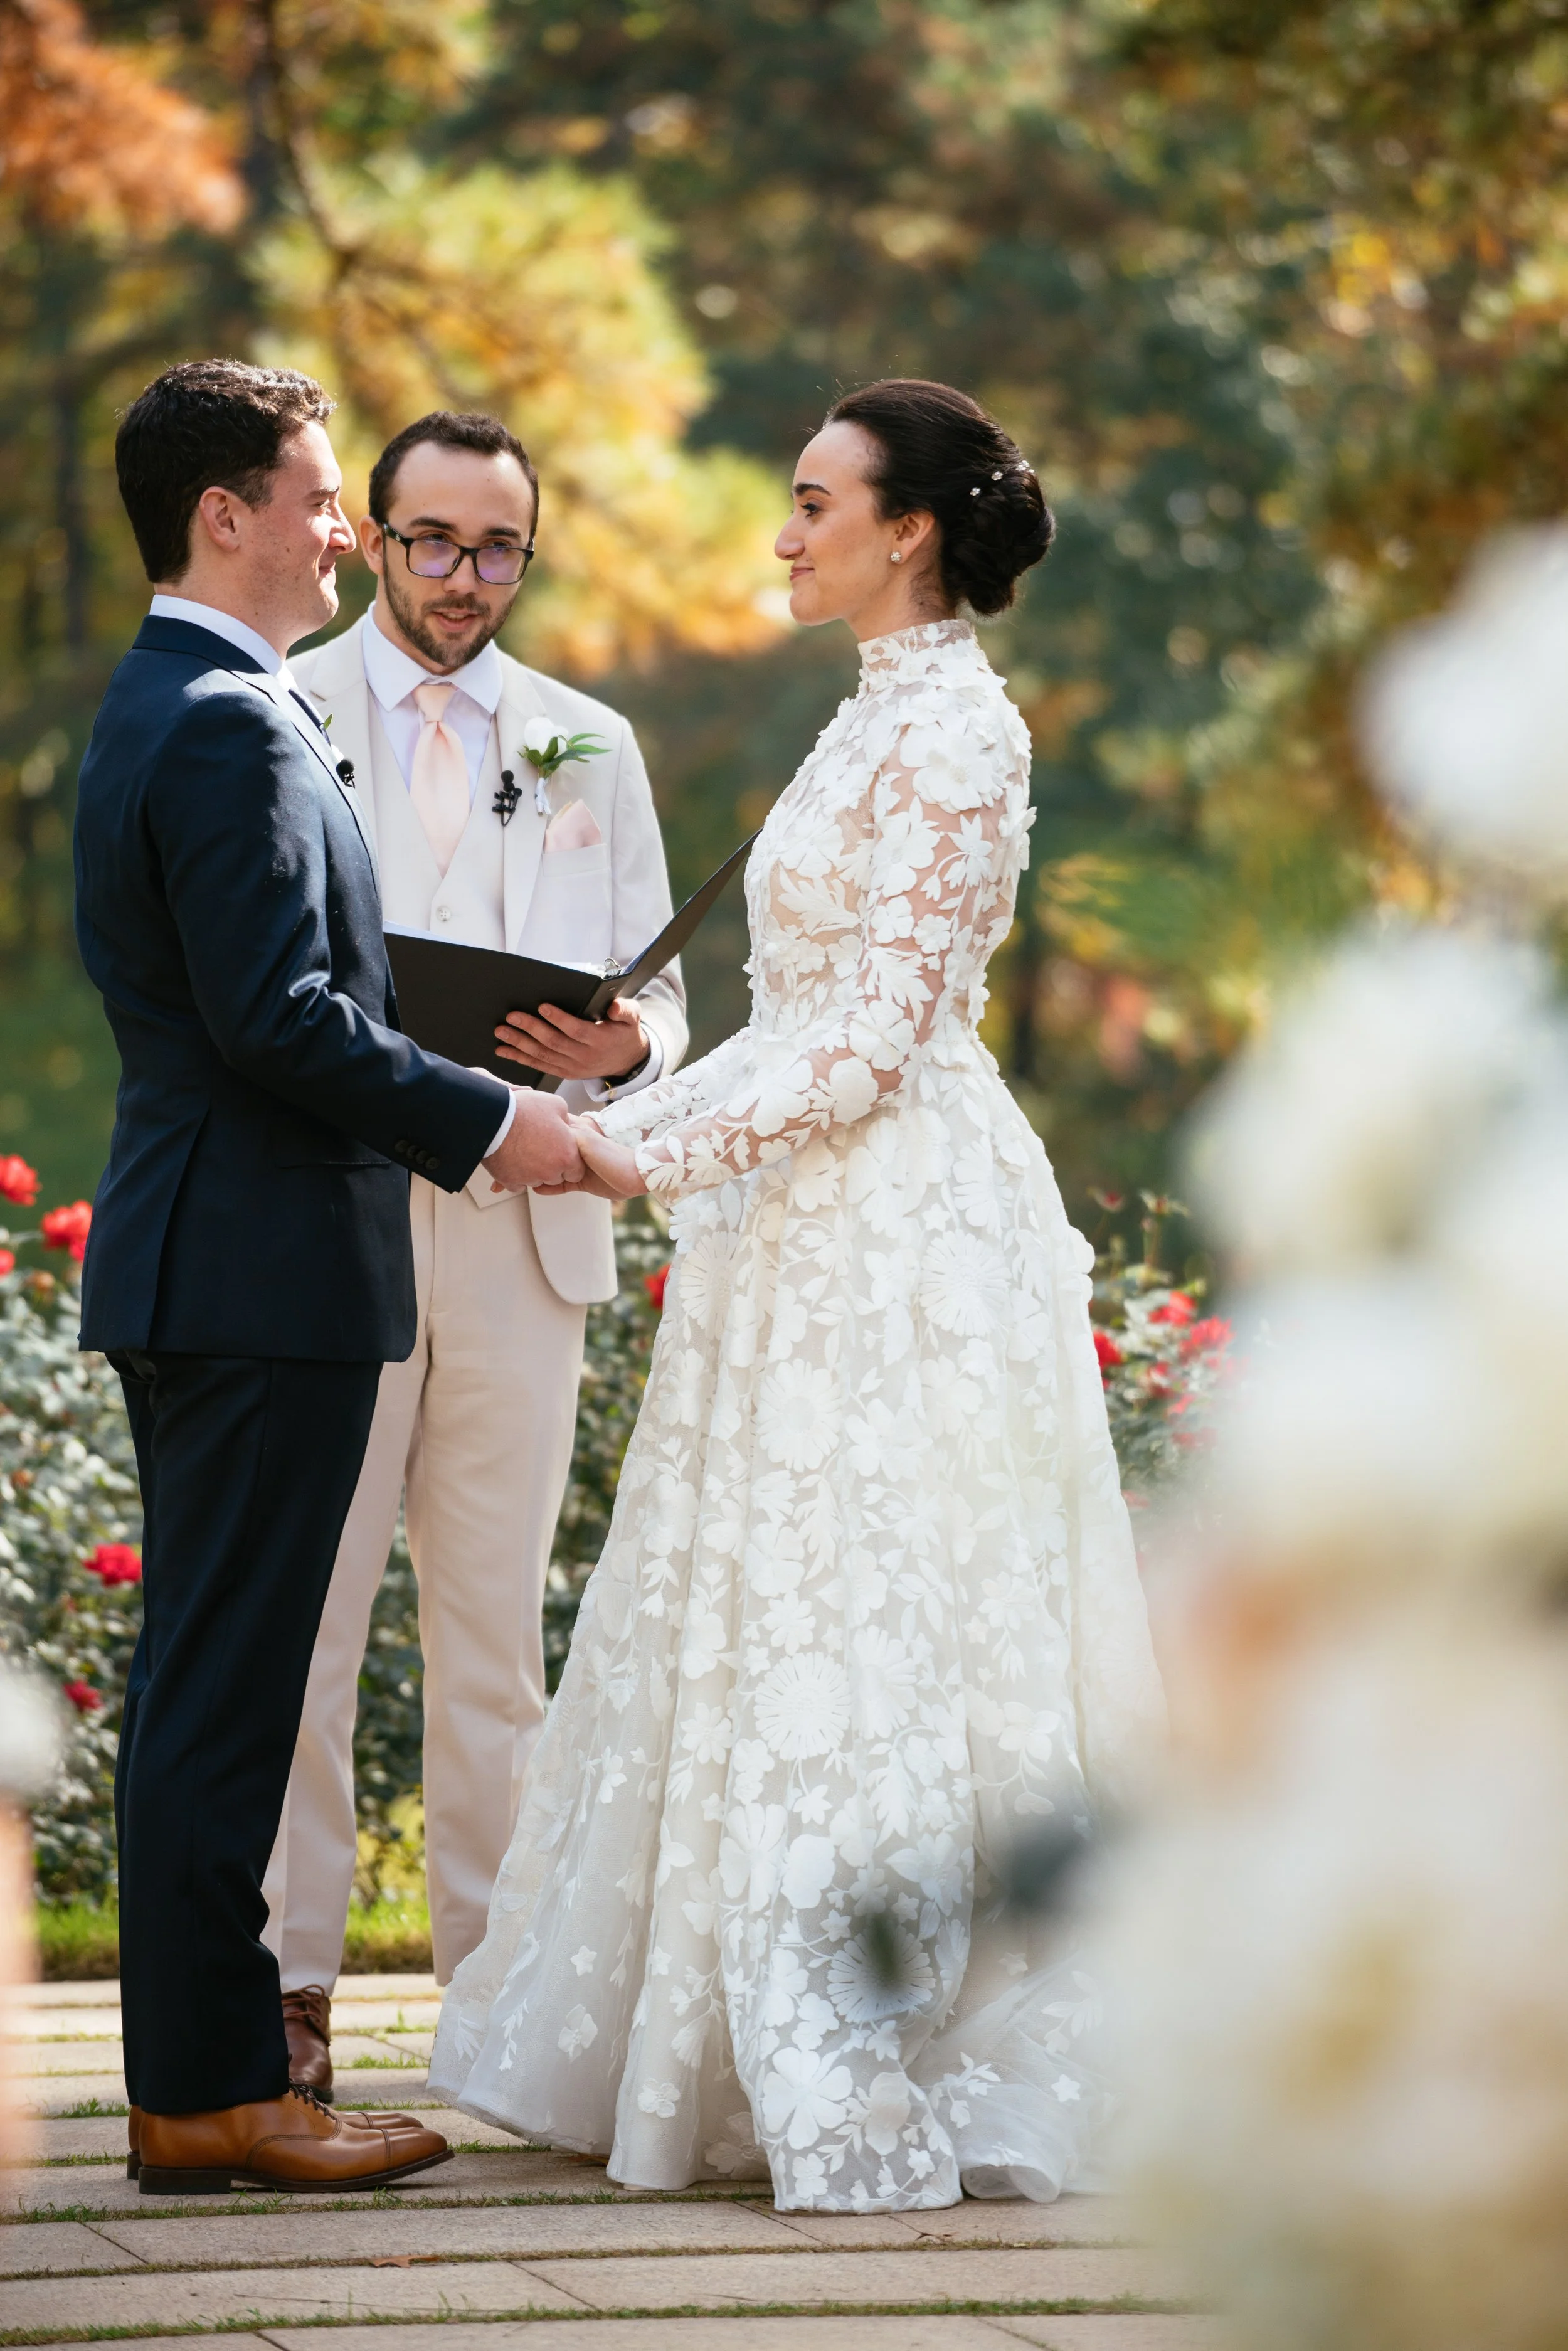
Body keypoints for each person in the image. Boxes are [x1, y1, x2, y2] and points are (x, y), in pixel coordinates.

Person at [429, 379, 1165, 2210]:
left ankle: (873, 2030)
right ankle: (718, 2028)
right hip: (794, 1226)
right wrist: (635, 1086)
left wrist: (621, 1150)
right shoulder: (861, 722)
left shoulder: (961, 736)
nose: (783, 529)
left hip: (900, 1227)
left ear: (905, 528)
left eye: (813, 500)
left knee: (887, 1603)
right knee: (770, 1598)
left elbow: (872, 1041)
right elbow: (793, 1019)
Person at [75, 360, 581, 2195]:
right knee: (226, 1687)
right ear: (228, 513)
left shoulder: (185, 698)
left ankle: (203, 2080)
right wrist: (500, 1125)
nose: (343, 529)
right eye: (316, 494)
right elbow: (281, 1016)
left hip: (223, 1255)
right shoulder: (223, 719)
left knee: (217, 1677)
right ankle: (217, 2087)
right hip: (258, 1262)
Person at [262, 411, 686, 2089]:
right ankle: (286, 1986)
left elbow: (661, 993)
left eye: (496, 545)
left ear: (529, 551)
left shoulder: (589, 741)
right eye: (431, 541)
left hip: (527, 1239)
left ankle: (495, 1998)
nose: (462, 577)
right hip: (330, 1217)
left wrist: (627, 1057)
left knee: (497, 1638)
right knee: (305, 1614)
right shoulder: (278, 715)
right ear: (372, 539)